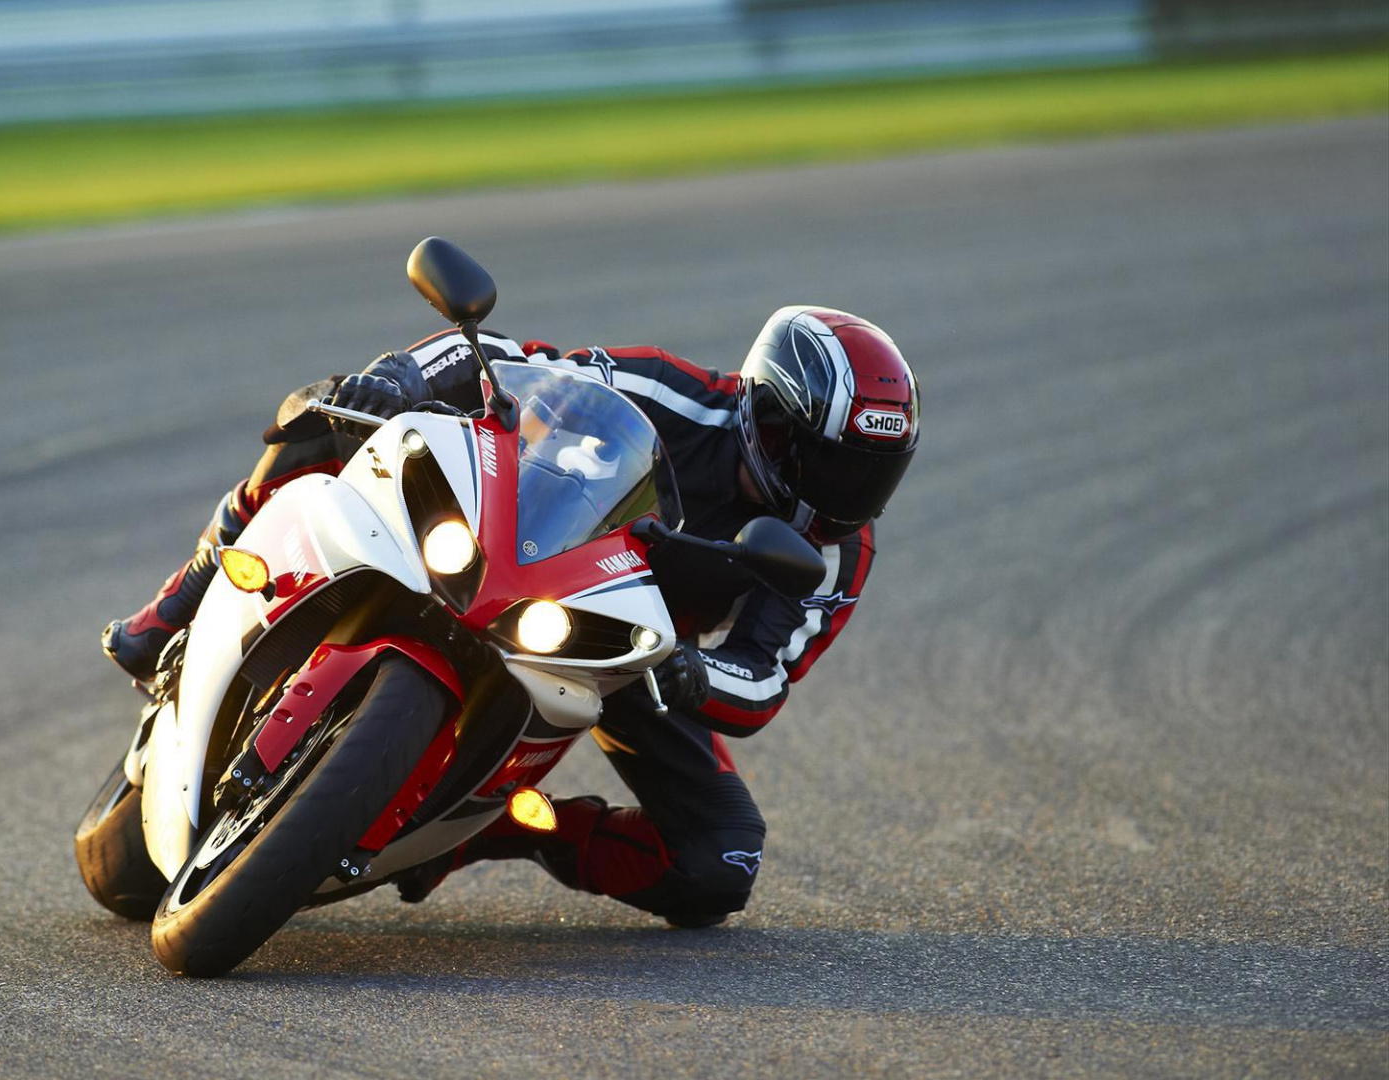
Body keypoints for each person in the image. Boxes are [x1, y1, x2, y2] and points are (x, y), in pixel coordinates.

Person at [104, 307, 920, 927]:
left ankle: (494, 829)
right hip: (517, 531)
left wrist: (692, 669)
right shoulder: (675, 392)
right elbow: (505, 360)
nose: (845, 496)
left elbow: (763, 679)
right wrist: (397, 380)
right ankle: (175, 603)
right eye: (830, 463)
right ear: (770, 420)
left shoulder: (836, 551)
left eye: (870, 476)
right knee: (325, 418)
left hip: (627, 651)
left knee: (722, 861)